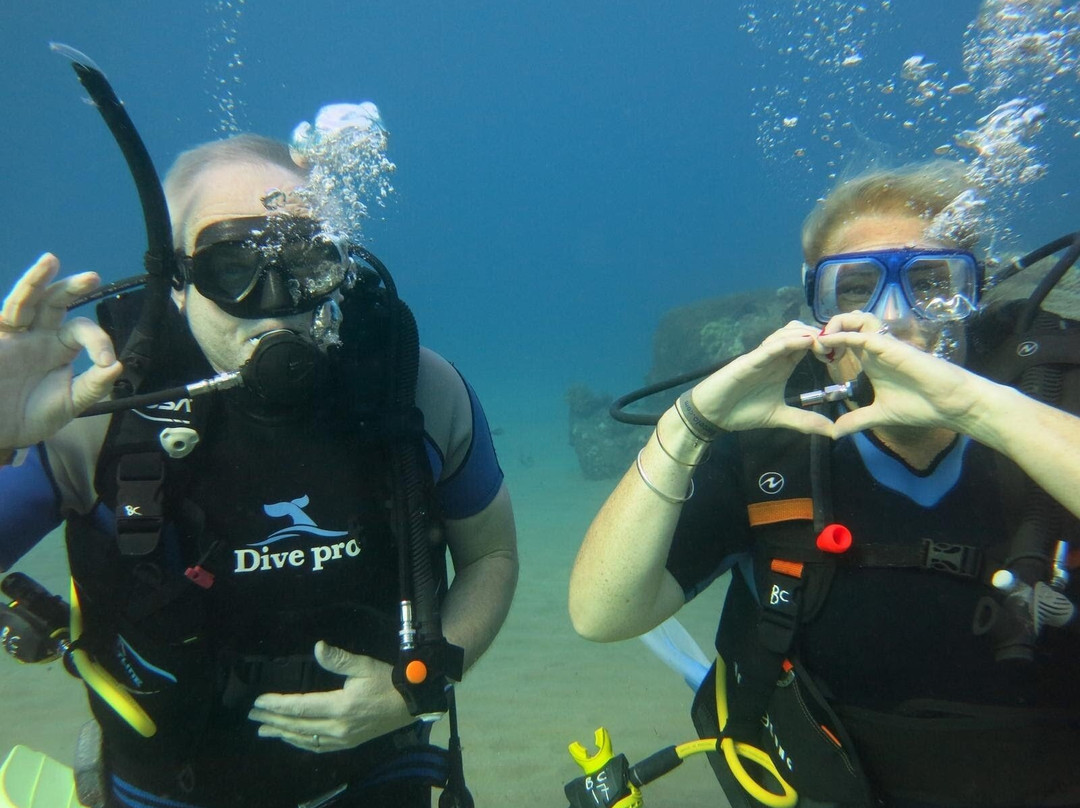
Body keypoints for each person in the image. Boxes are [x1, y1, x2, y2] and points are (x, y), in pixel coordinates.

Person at [0, 129, 518, 807]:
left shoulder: (417, 392)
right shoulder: (98, 412)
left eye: (303, 262)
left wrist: (414, 688)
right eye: (231, 267)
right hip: (168, 784)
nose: (277, 302)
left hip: (377, 765)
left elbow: (492, 557)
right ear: (177, 286)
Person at [569, 161, 1080, 807]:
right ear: (820, 317)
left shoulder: (1051, 407)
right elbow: (602, 614)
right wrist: (686, 427)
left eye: (931, 284)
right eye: (857, 287)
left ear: (971, 301)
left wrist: (983, 411)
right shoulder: (775, 443)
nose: (895, 319)